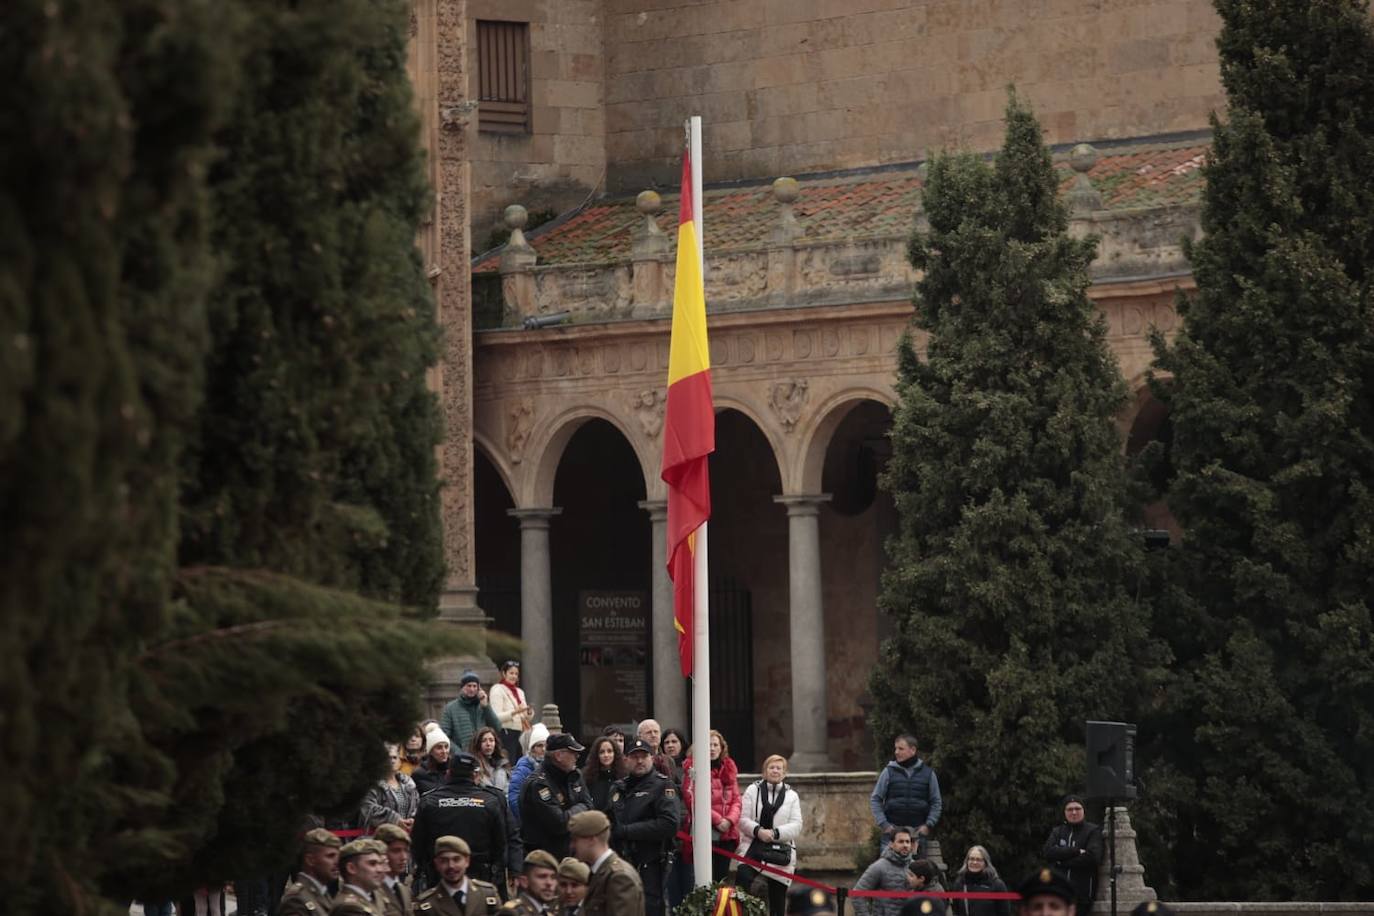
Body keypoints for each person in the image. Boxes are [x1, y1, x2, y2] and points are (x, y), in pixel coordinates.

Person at [413, 752, 513, 891]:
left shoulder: (429, 801)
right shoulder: (490, 801)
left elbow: (418, 846)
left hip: (440, 879)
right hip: (480, 881)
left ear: (449, 773)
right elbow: (501, 845)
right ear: (475, 774)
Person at [609, 738, 680, 916]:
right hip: (621, 862)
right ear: (626, 760)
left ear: (652, 758)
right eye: (634, 757)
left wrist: (627, 831)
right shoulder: (619, 787)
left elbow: (669, 824)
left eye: (644, 756)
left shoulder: (663, 785)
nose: (639, 761)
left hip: (650, 863)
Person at [736, 754, 803, 916]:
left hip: (780, 853)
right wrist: (758, 831)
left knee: (778, 904)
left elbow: (796, 825)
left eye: (779, 768)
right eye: (771, 767)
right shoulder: (753, 790)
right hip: (752, 849)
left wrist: (775, 833)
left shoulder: (792, 796)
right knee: (741, 889)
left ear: (784, 773)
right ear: (764, 772)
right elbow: (742, 819)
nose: (775, 771)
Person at [521, 733, 595, 860]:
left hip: (571, 853)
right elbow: (559, 823)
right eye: (573, 753)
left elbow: (590, 806)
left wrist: (577, 809)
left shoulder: (574, 775)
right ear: (558, 755)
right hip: (545, 858)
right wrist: (581, 807)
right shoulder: (539, 784)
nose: (577, 757)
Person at [681, 729, 740, 882]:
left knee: (722, 880)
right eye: (708, 745)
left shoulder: (729, 768)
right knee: (704, 880)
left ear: (721, 748)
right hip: (705, 832)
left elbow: (737, 800)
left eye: (715, 745)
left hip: (727, 833)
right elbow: (691, 798)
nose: (712, 748)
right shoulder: (692, 768)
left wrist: (729, 821)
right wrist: (718, 820)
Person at [869, 735, 942, 853]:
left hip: (917, 834)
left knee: (916, 871)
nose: (896, 752)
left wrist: (928, 825)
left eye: (901, 749)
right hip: (892, 834)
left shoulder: (928, 774)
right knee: (889, 870)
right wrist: (885, 825)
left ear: (912, 750)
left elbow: (936, 802)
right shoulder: (888, 772)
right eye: (895, 748)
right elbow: (876, 799)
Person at [569, 810, 645, 916]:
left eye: (575, 840)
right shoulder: (600, 872)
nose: (572, 846)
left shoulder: (619, 877)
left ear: (591, 840)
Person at [412, 835, 504, 916]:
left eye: (456, 860)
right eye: (444, 861)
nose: (451, 866)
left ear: (467, 861)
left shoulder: (487, 895)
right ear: (437, 864)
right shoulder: (428, 905)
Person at [1041, 796, 1102, 916]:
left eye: (1077, 808)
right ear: (1064, 812)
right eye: (1069, 809)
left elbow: (1092, 857)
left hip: (1082, 896)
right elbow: (1048, 853)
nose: (1074, 812)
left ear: (1083, 811)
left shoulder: (1093, 831)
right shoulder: (1057, 831)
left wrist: (1062, 862)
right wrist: (1076, 851)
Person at [852, 826, 916, 916]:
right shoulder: (879, 867)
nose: (905, 845)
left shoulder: (915, 866)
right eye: (901, 841)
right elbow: (857, 894)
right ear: (891, 844)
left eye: (907, 842)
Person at [279, 827, 342, 916]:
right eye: (330, 856)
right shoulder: (296, 900)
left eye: (338, 857)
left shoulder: (322, 894)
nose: (337, 862)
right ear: (310, 860)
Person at [360, 743, 420, 830]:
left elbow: (417, 806)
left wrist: (413, 820)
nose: (392, 761)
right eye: (388, 758)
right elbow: (368, 809)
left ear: (399, 760)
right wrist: (395, 820)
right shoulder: (371, 783)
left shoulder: (408, 783)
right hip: (379, 837)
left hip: (406, 835)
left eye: (395, 757)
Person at [442, 672, 505, 754]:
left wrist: (486, 707)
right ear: (462, 687)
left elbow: (497, 727)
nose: (472, 689)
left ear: (479, 688)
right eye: (469, 686)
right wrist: (458, 752)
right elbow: (444, 736)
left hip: (483, 754)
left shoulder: (483, 706)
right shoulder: (450, 708)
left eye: (474, 686)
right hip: (462, 756)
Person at [491, 661, 536, 764]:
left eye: (516, 674)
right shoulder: (497, 689)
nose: (514, 676)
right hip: (505, 733)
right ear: (504, 673)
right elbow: (495, 717)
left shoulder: (520, 692)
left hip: (520, 733)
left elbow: (525, 717)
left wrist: (529, 712)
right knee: (508, 763)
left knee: (520, 762)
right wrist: (514, 712)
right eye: (511, 673)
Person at [332, 838, 389, 916]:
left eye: (380, 864)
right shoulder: (349, 907)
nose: (380, 870)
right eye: (372, 864)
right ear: (351, 868)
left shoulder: (369, 899)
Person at [951, 845, 1010, 916]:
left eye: (978, 859)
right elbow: (956, 911)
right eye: (972, 859)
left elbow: (1004, 913)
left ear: (985, 863)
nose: (975, 862)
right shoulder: (960, 883)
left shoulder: (997, 885)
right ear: (967, 861)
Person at [500, 850, 562, 916]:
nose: (549, 883)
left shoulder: (547, 913)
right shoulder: (512, 912)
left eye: (553, 877)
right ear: (524, 881)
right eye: (542, 877)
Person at [510, 723, 550, 823]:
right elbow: (513, 799)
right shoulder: (523, 769)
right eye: (539, 746)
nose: (544, 749)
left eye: (546, 745)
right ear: (532, 749)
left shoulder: (550, 767)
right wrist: (526, 823)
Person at [374, 823, 414, 916]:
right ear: (381, 853)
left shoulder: (405, 890)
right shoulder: (373, 892)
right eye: (396, 851)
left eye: (406, 850)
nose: (403, 857)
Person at [583, 737, 627, 814]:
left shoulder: (625, 776)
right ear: (597, 755)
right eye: (602, 752)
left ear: (615, 753)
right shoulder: (587, 778)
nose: (606, 755)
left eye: (609, 751)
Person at [473, 726, 513, 793]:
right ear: (478, 744)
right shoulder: (474, 767)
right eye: (484, 741)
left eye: (491, 740)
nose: (488, 744)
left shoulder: (503, 764)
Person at [415, 729, 454, 796]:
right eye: (439, 748)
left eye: (446, 747)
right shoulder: (419, 774)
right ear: (431, 751)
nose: (444, 751)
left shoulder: (456, 771)